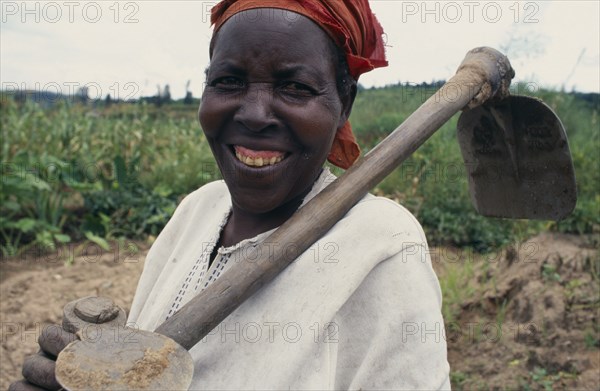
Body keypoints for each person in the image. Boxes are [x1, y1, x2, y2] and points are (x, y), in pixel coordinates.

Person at [11, 1, 450, 389]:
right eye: (229, 81)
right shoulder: (198, 208)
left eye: (295, 87)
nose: (255, 115)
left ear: (344, 104)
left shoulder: (383, 248)